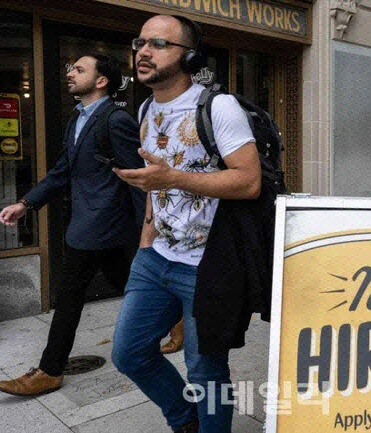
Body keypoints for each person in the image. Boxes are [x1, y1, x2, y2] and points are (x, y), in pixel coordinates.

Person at [111, 15, 261, 433]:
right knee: (129, 354)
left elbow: (249, 181)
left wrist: (173, 179)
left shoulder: (218, 107)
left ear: (190, 56)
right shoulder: (145, 107)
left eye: (159, 44)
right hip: (155, 259)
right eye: (141, 42)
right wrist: (147, 235)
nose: (144, 51)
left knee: (205, 370)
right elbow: (154, 180)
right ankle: (185, 421)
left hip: (208, 266)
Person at [0, 53, 146, 397]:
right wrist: (25, 204)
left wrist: (146, 231)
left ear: (101, 81)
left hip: (102, 223)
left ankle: (50, 370)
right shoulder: (77, 116)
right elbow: (63, 170)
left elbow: (137, 179)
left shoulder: (116, 120)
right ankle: (176, 319)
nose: (70, 74)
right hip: (88, 222)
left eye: (79, 69)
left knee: (68, 297)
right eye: (71, 69)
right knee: (127, 283)